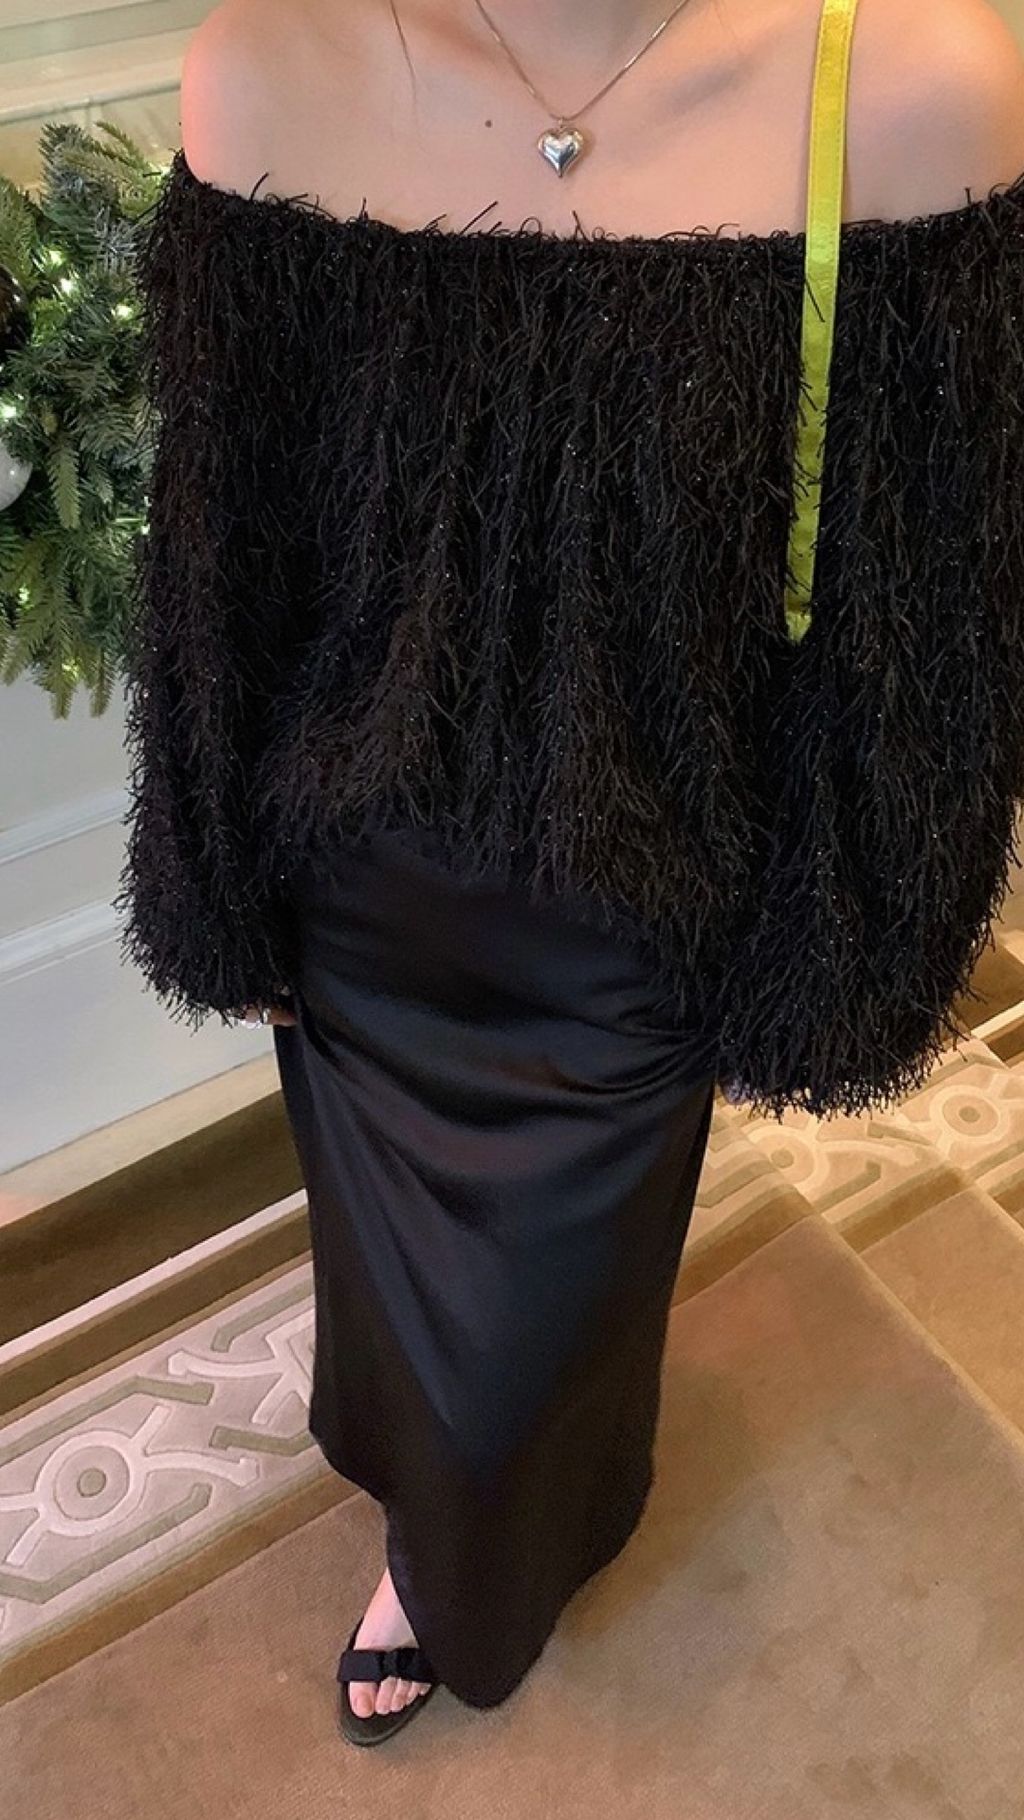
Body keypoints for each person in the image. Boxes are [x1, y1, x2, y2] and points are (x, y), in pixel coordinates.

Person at [116, 0, 1024, 1745]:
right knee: (397, 1300)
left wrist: (842, 932)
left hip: (651, 904)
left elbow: (938, 611)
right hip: (359, 902)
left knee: (549, 1324)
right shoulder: (269, 64)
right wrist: (219, 876)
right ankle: (434, 1535)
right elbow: (225, 556)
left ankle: (502, 1536)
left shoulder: (919, 82)